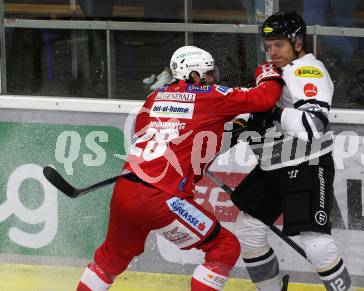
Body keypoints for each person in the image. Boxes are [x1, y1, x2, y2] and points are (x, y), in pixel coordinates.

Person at [76, 45, 283, 291]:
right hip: (161, 197)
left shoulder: (155, 97)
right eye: (207, 73)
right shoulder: (210, 95)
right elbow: (264, 99)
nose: (211, 78)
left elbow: (145, 133)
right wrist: (269, 71)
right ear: (194, 74)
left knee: (111, 259)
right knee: (224, 248)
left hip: (126, 188)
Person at [231, 11, 355, 291]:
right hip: (273, 165)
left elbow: (313, 126)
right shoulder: (277, 70)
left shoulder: (307, 71)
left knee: (316, 242)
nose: (271, 52)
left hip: (307, 165)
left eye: (279, 45)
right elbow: (264, 112)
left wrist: (272, 111)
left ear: (298, 42)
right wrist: (244, 124)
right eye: (268, 45)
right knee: (249, 229)